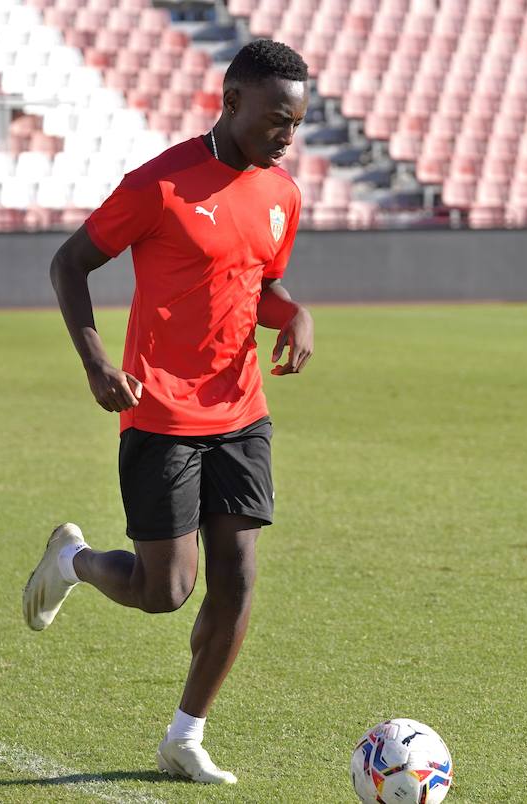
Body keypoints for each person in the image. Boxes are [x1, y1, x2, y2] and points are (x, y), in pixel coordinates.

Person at [23, 39, 312, 785]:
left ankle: (185, 735)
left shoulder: (281, 194)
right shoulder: (159, 185)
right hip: (162, 414)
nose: (288, 135)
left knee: (239, 577)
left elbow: (257, 289)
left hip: (242, 410)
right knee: (167, 591)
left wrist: (296, 315)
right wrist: (96, 363)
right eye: (279, 119)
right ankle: (72, 562)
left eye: (299, 123)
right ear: (232, 98)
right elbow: (70, 263)